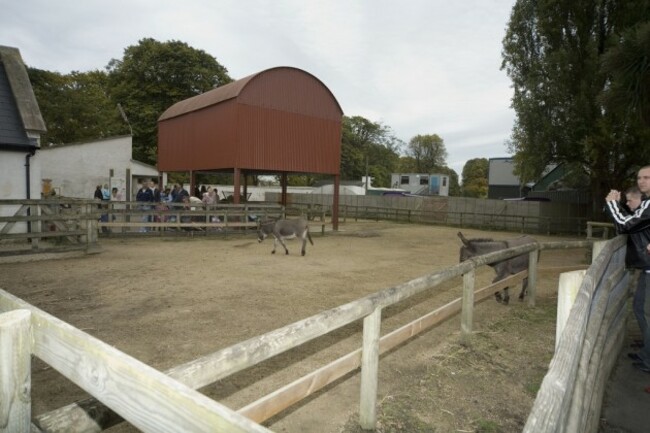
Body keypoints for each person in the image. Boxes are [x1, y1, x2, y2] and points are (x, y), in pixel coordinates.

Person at [605, 165, 650, 374]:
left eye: (647, 178)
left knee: (645, 313)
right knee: (640, 309)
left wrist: (613, 204)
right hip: (646, 267)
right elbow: (631, 222)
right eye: (640, 177)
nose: (642, 181)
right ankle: (646, 353)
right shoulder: (647, 203)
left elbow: (625, 225)